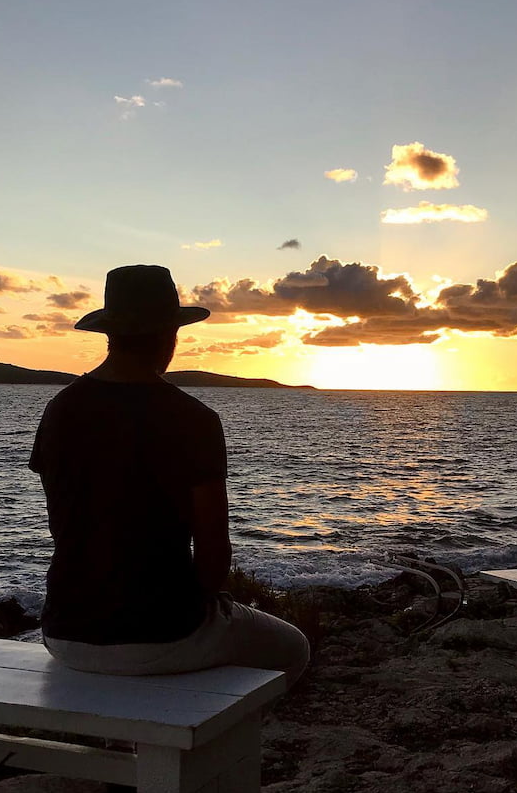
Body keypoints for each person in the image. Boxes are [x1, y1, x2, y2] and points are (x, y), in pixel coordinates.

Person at [29, 264, 310, 688]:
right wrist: (200, 606)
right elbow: (214, 549)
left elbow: (62, 521)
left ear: (110, 333)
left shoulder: (59, 409)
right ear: (170, 335)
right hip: (164, 634)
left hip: (65, 633)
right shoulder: (193, 419)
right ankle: (207, 729)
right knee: (295, 650)